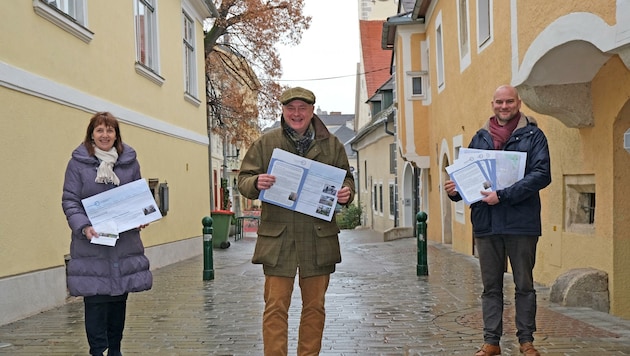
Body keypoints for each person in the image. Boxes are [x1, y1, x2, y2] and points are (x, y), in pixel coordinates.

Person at [238, 87, 355, 356]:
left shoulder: (332, 144)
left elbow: (347, 179)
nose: (296, 114)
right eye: (291, 108)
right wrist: (256, 182)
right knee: (275, 306)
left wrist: (347, 193)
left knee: (315, 307)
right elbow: (243, 181)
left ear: (312, 111)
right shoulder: (266, 143)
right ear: (283, 111)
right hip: (279, 239)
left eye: (303, 108)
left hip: (318, 237)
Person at [444, 85, 551, 356]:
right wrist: (455, 191)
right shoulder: (479, 138)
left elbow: (542, 174)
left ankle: (526, 341)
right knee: (490, 287)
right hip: (486, 223)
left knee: (524, 285)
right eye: (500, 102)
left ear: (518, 103)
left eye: (509, 102)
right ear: (492, 104)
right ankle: (491, 342)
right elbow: (467, 179)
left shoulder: (534, 135)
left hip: (521, 223)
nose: (504, 106)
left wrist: (502, 196)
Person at [62, 112, 153, 356]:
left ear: (116, 135)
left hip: (123, 245)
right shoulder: (78, 164)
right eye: (100, 130)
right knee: (95, 302)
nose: (105, 135)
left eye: (109, 130)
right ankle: (97, 351)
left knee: (117, 302)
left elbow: (137, 196)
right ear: (92, 134)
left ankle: (115, 350)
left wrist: (140, 218)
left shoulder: (129, 162)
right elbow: (70, 201)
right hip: (91, 245)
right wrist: (84, 227)